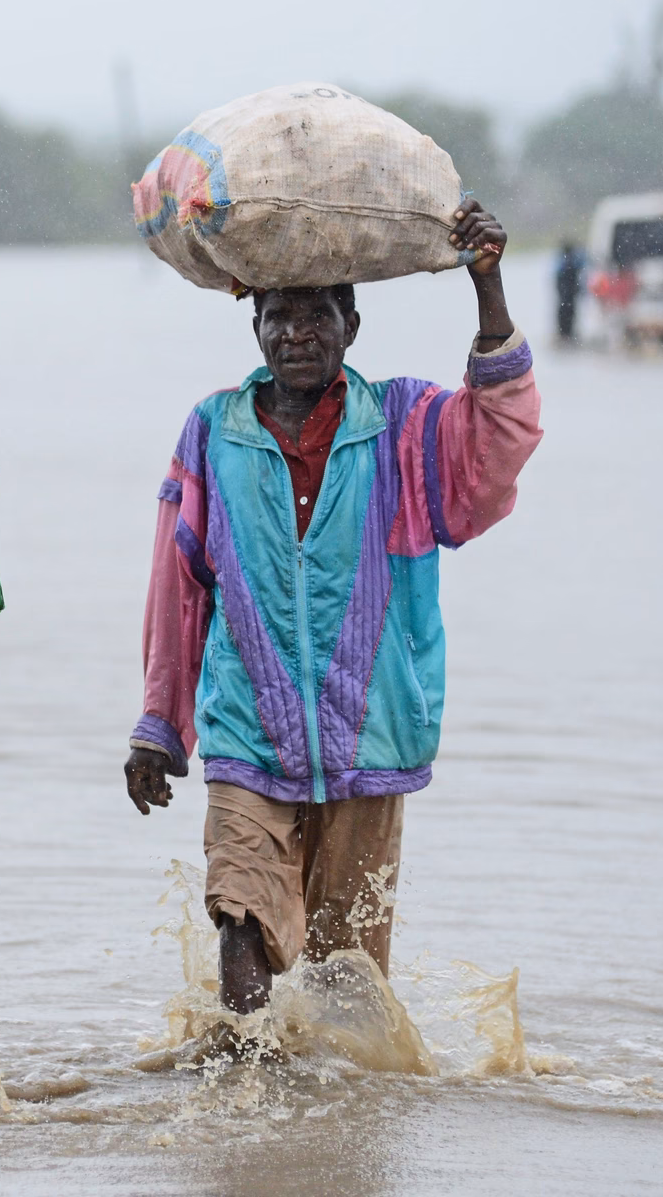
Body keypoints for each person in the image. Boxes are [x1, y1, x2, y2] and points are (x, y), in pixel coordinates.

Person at [123, 200, 542, 1017]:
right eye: (279, 317)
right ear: (255, 329)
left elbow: (500, 437)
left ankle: (328, 1129)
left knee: (347, 980)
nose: (297, 336)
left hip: (371, 731)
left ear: (351, 324)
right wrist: (159, 728)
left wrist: (486, 285)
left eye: (317, 317)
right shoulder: (213, 431)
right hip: (248, 731)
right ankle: (246, 1091)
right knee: (238, 915)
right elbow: (177, 587)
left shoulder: (404, 425)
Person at [553, 240, 585, 341]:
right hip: (568, 297)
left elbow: (557, 282)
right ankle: (566, 335)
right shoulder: (572, 262)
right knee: (569, 317)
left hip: (564, 297)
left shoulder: (561, 263)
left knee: (564, 318)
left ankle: (564, 335)